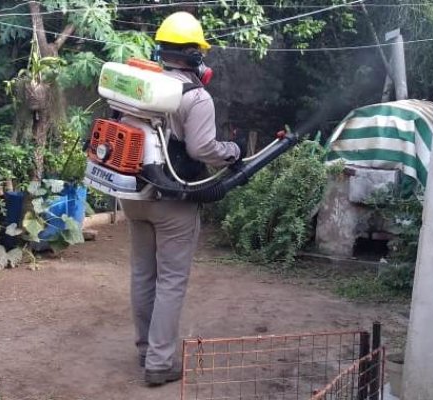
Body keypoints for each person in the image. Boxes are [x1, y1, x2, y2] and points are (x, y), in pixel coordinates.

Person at [119, 11, 247, 386]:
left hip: (132, 193)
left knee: (143, 274)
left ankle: (145, 350)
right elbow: (203, 148)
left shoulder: (137, 84)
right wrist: (234, 150)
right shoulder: (196, 96)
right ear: (194, 55)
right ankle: (160, 363)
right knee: (171, 280)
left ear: (161, 50)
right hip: (173, 199)